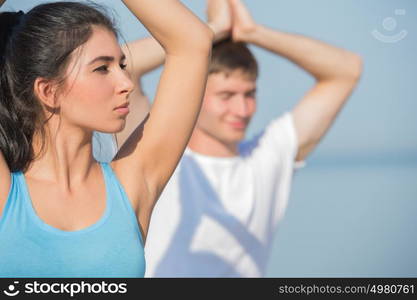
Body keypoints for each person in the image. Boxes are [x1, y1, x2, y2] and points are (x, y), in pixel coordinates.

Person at [95, 0, 363, 277]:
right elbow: (124, 65)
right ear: (195, 93)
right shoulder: (154, 153)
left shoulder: (268, 157)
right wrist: (211, 31)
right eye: (226, 96)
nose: (242, 110)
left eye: (249, 94)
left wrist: (253, 33)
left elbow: (346, 70)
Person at [0, 0, 213, 277]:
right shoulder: (7, 197)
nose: (126, 83)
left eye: (122, 65)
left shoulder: (131, 187)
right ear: (48, 91)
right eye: (102, 68)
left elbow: (192, 42)